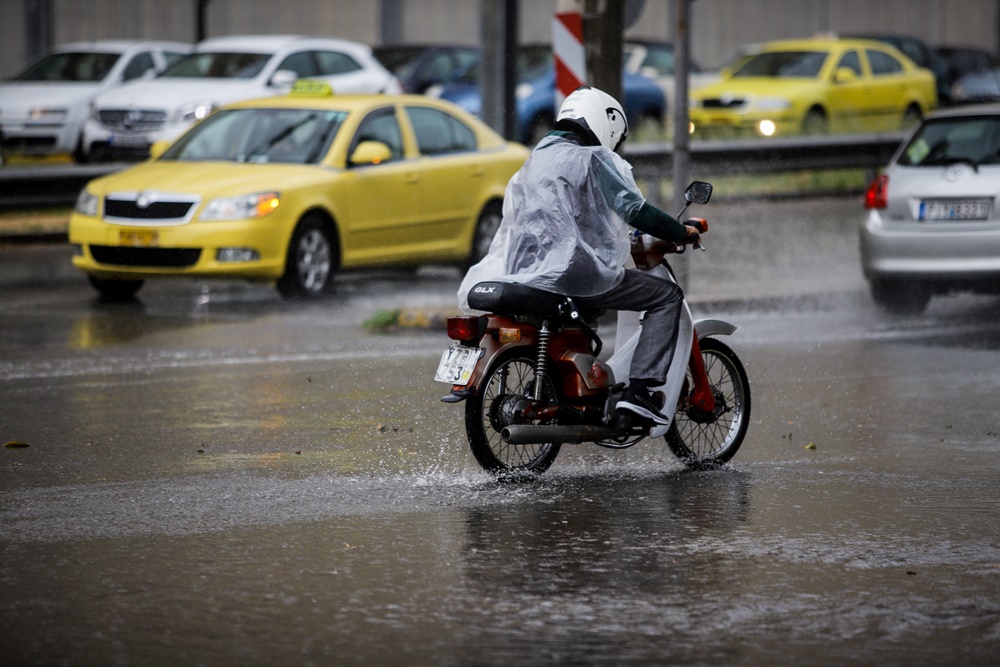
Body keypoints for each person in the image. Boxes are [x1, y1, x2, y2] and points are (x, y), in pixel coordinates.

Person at [458, 85, 701, 425]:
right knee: (666, 296)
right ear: (605, 123)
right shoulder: (592, 158)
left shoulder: (536, 157)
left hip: (526, 270)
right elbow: (635, 210)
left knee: (586, 314)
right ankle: (640, 392)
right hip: (574, 273)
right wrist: (679, 232)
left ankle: (582, 386)